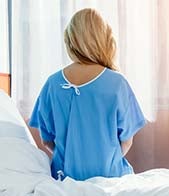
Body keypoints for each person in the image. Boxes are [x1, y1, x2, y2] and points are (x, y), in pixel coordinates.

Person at [29, 8, 146, 181]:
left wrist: (70, 158)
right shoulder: (117, 83)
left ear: (70, 41)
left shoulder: (52, 84)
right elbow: (126, 141)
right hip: (109, 176)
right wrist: (104, 162)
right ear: (105, 39)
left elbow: (47, 140)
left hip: (65, 179)